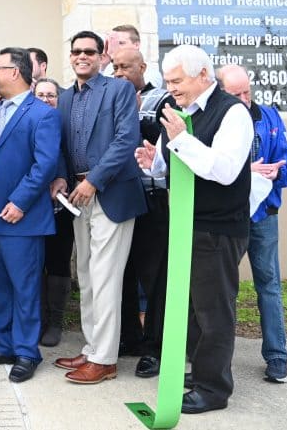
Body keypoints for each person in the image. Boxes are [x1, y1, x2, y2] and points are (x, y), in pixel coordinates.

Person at [135, 45, 253, 414]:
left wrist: (181, 141)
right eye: (167, 81)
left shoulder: (233, 113)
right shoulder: (182, 114)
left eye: (176, 80)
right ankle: (201, 372)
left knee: (213, 311)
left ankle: (214, 390)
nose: (170, 88)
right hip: (186, 225)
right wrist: (153, 162)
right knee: (189, 309)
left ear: (203, 75)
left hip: (218, 231)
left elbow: (224, 169)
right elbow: (176, 168)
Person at [50, 31, 146, 385]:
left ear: (101, 56)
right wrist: (61, 177)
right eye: (76, 51)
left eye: (89, 51)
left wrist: (94, 180)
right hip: (77, 194)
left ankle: (105, 359)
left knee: (106, 277)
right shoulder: (64, 98)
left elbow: (126, 140)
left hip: (111, 192)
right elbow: (60, 144)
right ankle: (92, 349)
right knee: (87, 276)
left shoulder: (118, 90)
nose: (82, 56)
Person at [0, 47, 60, 384]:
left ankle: (26, 352)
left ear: (16, 72)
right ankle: (4, 344)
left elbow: (45, 163)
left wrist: (20, 201)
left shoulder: (42, 114)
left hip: (20, 216)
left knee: (24, 286)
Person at [218, 64, 287, 384]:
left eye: (247, 91)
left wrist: (277, 171)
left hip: (264, 216)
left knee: (269, 286)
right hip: (229, 217)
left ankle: (277, 357)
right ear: (222, 92)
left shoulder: (270, 118)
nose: (244, 99)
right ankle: (215, 358)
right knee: (221, 290)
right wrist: (244, 172)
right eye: (236, 94)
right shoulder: (217, 120)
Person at [113, 48, 174, 377]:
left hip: (153, 200)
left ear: (142, 67)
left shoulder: (162, 99)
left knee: (154, 278)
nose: (120, 72)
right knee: (122, 272)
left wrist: (134, 116)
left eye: (126, 66)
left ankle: (155, 347)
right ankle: (129, 338)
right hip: (121, 198)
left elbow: (164, 143)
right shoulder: (111, 96)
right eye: (116, 67)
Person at [31, 77, 73, 347]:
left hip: (61, 204)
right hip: (34, 204)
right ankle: (40, 319)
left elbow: (71, 156)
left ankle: (55, 322)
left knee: (58, 261)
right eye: (41, 95)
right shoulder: (29, 122)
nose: (46, 99)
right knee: (35, 263)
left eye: (51, 95)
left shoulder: (67, 124)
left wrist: (63, 176)